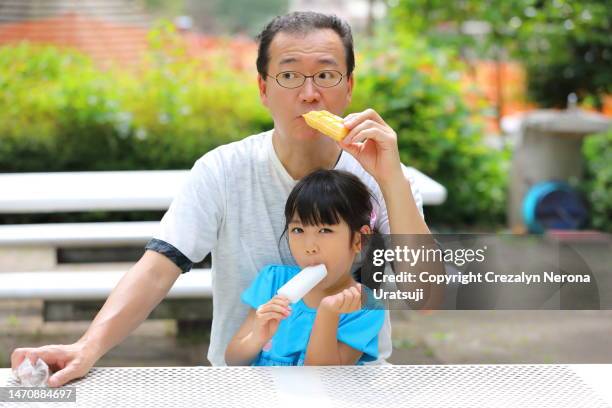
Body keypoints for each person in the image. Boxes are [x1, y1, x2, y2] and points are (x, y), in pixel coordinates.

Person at [11, 11, 431, 386]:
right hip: (240, 385)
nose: (309, 94)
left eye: (326, 75)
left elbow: (427, 296)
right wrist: (87, 346)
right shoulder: (223, 170)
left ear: (349, 87)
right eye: (289, 75)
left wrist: (391, 178)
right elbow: (159, 268)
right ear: (263, 88)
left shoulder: (386, 174)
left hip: (356, 384)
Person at [225, 169, 385, 366]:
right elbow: (233, 360)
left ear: (359, 239)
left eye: (325, 230)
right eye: (298, 230)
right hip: (262, 394)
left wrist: (328, 314)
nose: (309, 246)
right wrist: (256, 338)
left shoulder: (363, 305)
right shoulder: (273, 281)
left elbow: (321, 378)